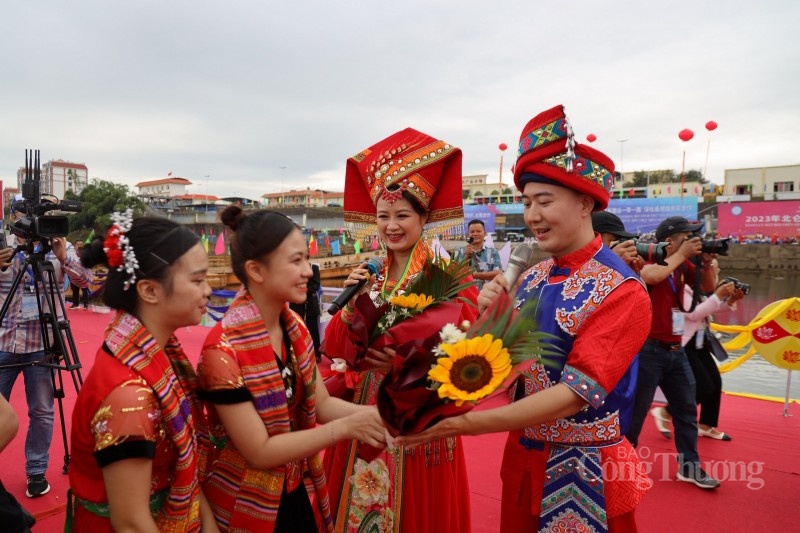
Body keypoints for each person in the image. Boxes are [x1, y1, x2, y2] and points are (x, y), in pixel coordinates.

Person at [397, 105, 652, 532]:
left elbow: (575, 394)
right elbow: (496, 366)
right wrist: (484, 321)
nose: (532, 215)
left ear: (586, 202)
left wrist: (463, 424)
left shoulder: (623, 290)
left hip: (587, 467)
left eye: (544, 201)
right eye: (527, 202)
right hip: (524, 458)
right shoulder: (531, 276)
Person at [323, 128, 479, 532]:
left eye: (402, 215)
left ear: (424, 218)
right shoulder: (369, 274)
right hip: (363, 410)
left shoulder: (447, 275)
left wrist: (407, 359)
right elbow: (335, 349)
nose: (391, 226)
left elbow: (468, 348)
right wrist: (349, 306)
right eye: (383, 216)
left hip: (418, 414)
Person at [197, 206, 386, 532]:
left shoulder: (293, 329)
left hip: (293, 484)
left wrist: (378, 415)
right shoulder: (222, 352)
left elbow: (322, 404)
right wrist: (345, 428)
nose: (308, 272)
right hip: (245, 498)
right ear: (256, 270)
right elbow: (259, 451)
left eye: (304, 259)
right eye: (295, 261)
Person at [68, 212, 218, 532]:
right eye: (197, 280)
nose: (209, 290)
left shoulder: (153, 355)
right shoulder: (129, 397)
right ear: (149, 291)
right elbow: (132, 523)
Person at [0, 200, 93, 498]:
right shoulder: (4, 246)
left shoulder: (58, 247)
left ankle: (36, 471)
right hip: (4, 340)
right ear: (14, 218)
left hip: (41, 344)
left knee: (42, 410)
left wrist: (64, 258)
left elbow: (85, 280)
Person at [625, 215, 722, 490]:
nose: (693, 240)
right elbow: (653, 276)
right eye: (687, 236)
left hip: (676, 349)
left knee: (686, 411)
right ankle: (624, 465)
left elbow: (709, 287)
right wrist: (682, 254)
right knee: (637, 412)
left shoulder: (684, 264)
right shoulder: (648, 261)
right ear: (670, 240)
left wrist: (707, 260)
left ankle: (689, 468)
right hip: (648, 350)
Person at [651, 259, 744, 441]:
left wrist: (731, 299)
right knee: (703, 386)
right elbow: (693, 313)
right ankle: (666, 411)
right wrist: (717, 295)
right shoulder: (684, 288)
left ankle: (706, 425)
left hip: (700, 342)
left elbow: (710, 310)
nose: (715, 274)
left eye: (715, 270)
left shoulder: (701, 291)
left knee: (715, 382)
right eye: (712, 270)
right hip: (685, 343)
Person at [453, 219, 503, 289]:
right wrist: (466, 256)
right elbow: (457, 274)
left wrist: (474, 275)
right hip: (466, 295)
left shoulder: (493, 252)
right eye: (472, 232)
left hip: (486, 295)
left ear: (485, 233)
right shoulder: (460, 251)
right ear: (468, 234)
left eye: (478, 231)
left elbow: (498, 273)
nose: (475, 234)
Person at [289, 262, 322, 357]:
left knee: (313, 330)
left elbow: (316, 285)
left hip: (310, 303)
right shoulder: (292, 269)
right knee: (297, 330)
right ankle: (300, 355)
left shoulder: (313, 267)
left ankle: (317, 354)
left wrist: (302, 289)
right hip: (296, 303)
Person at [69, 239, 91, 310]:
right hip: (74, 275)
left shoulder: (86, 254)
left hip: (83, 275)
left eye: (81, 244)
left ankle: (86, 305)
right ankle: (76, 304)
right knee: (75, 290)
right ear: (75, 245)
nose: (79, 246)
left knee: (85, 290)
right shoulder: (71, 254)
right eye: (78, 244)